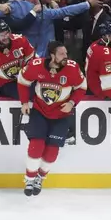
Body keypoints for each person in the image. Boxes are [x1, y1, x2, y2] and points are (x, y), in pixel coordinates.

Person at [17, 41, 86, 196]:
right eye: (62, 54)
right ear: (52, 55)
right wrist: (24, 102)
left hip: (61, 114)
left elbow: (82, 87)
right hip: (40, 111)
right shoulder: (36, 65)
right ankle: (29, 179)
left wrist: (71, 102)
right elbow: (22, 81)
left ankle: (40, 177)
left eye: (66, 53)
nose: (65, 57)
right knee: (36, 145)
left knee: (51, 151)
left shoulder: (72, 68)